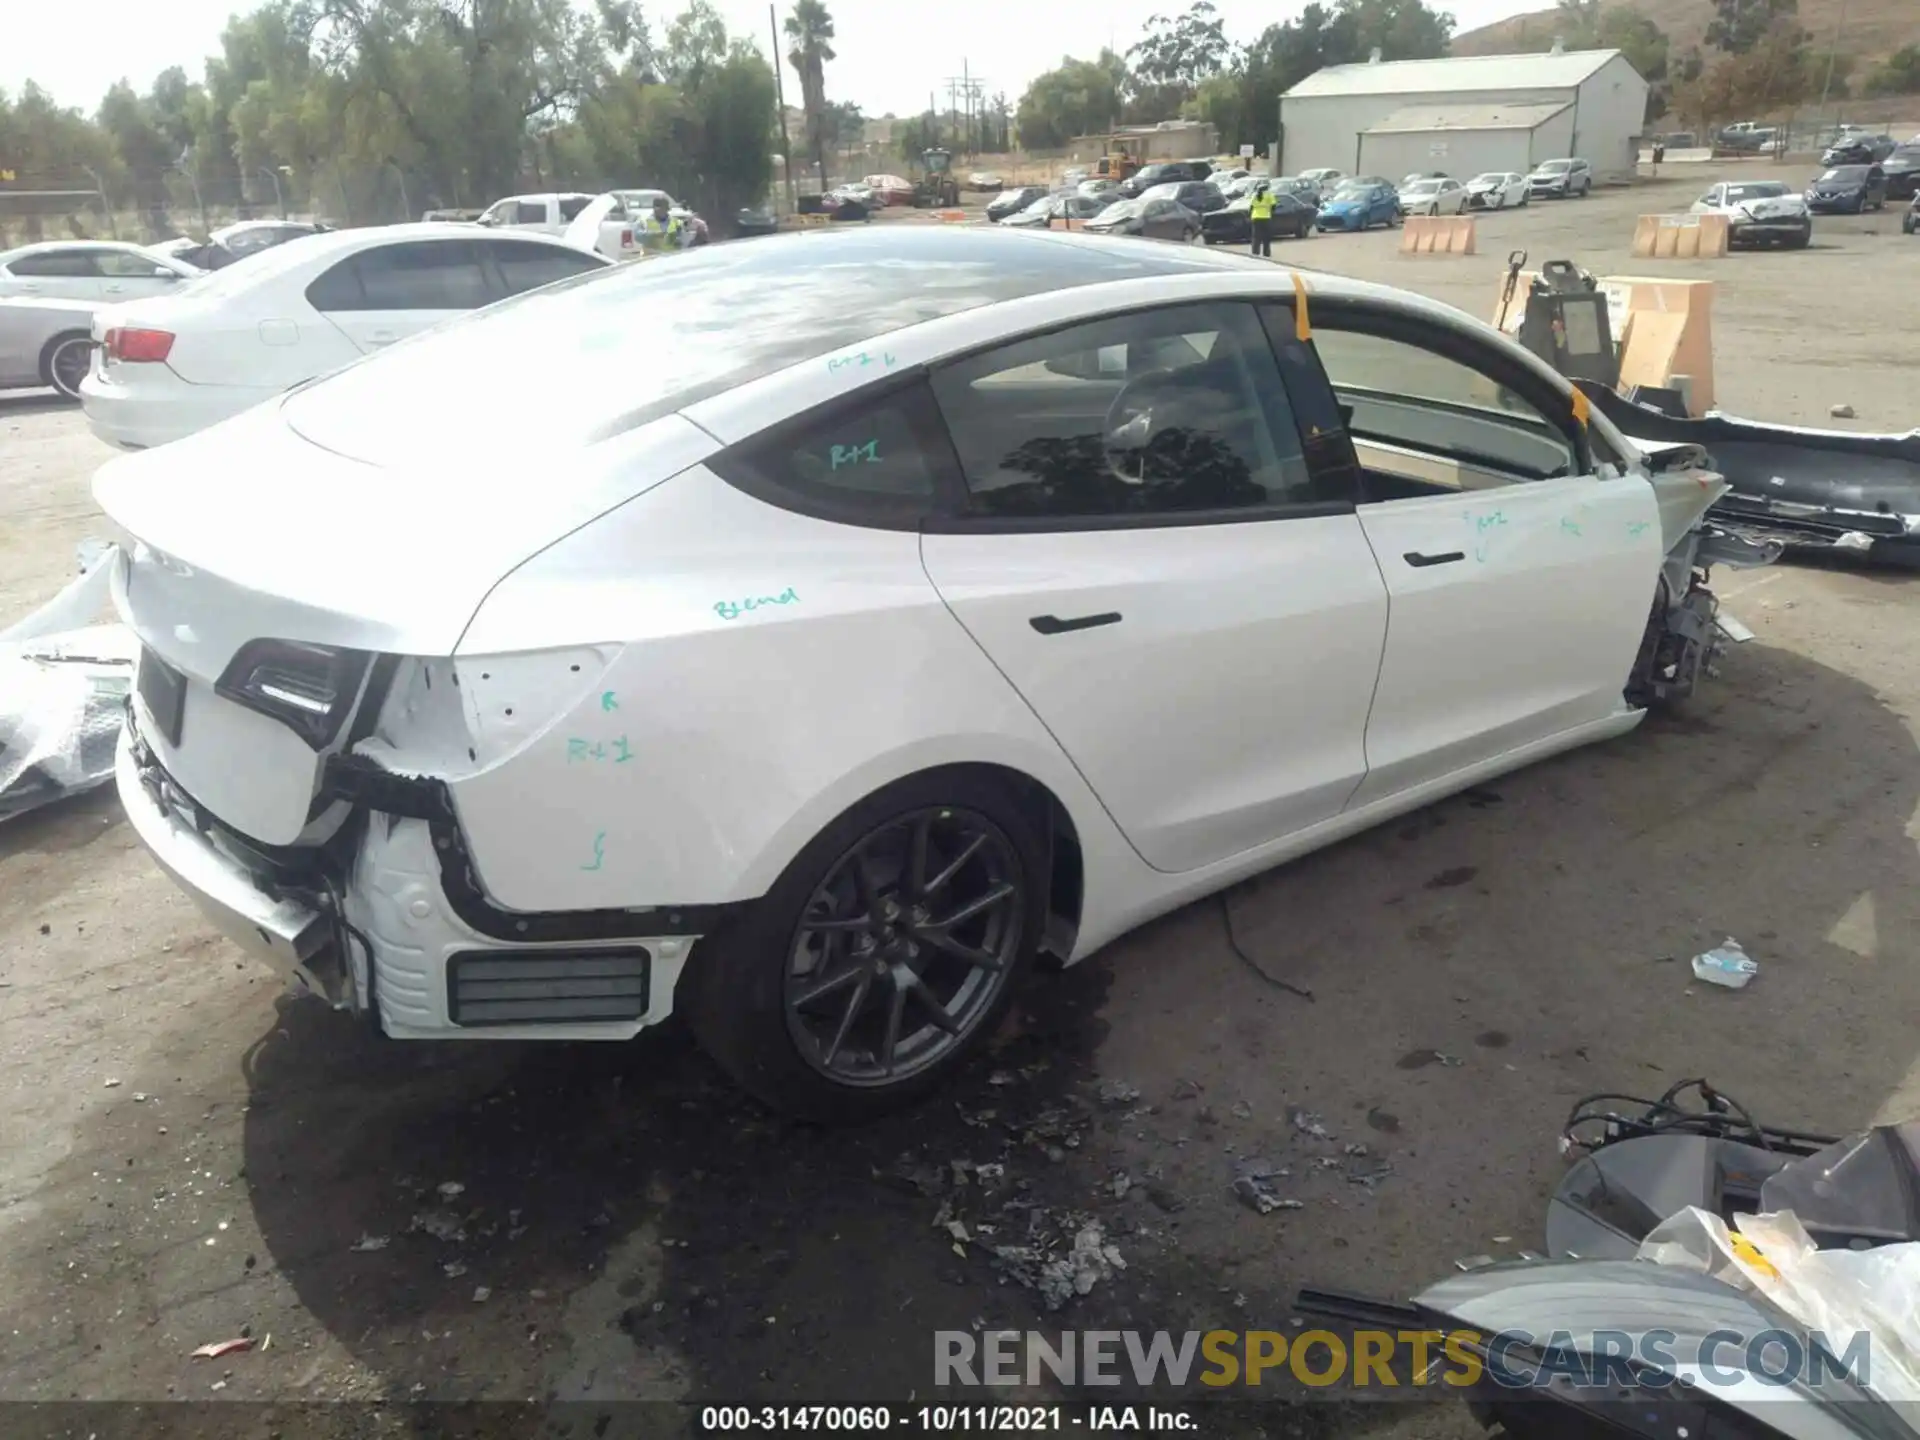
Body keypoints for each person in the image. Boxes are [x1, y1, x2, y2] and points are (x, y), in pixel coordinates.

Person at [1248, 181, 1275, 259]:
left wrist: (1250, 216)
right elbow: (1273, 206)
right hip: (1266, 217)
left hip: (1256, 218)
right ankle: (1266, 254)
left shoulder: (1254, 195)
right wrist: (1270, 211)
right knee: (1266, 237)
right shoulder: (1269, 195)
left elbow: (1251, 207)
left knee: (1256, 237)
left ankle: (1255, 253)